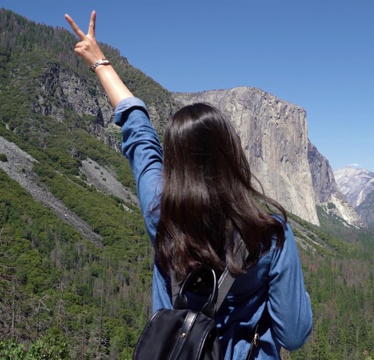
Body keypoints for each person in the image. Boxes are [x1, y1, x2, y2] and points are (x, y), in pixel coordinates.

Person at [65, 11, 313, 359]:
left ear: (175, 161)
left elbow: (139, 137)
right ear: (232, 156)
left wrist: (100, 63)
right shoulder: (270, 234)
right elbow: (294, 333)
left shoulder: (161, 213)